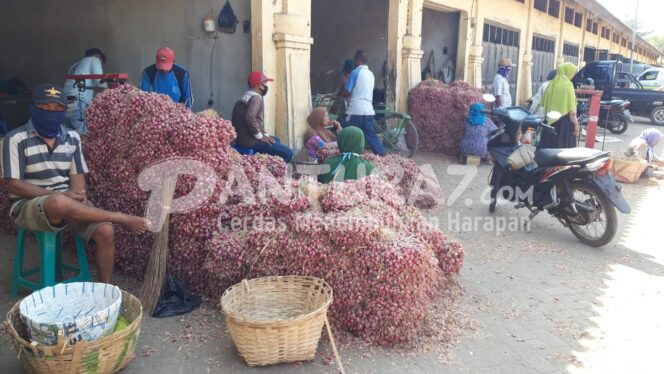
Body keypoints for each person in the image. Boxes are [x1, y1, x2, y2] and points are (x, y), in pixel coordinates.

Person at [1, 84, 148, 283]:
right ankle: (121, 217)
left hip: (66, 201)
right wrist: (61, 197)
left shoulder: (72, 137)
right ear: (33, 108)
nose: (51, 113)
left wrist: (78, 195)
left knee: (106, 231)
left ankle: (105, 290)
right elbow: (15, 185)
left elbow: (78, 181)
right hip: (28, 204)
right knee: (58, 203)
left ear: (64, 111)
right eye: (45, 108)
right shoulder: (15, 139)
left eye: (57, 109)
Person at [231, 71, 293, 162]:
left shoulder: (245, 96)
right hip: (249, 141)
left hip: (240, 138)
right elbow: (250, 117)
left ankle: (265, 162)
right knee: (288, 153)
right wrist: (260, 136)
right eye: (265, 83)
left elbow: (255, 120)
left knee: (276, 140)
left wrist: (265, 134)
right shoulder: (256, 98)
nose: (266, 85)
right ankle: (277, 173)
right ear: (260, 85)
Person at [341, 50, 385, 156]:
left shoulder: (355, 72)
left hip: (356, 110)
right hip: (368, 110)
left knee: (346, 130)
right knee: (370, 135)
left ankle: (346, 154)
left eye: (355, 59)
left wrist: (342, 92)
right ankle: (382, 155)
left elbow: (347, 92)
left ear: (358, 59)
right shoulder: (371, 74)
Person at [62, 48, 107, 134]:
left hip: (65, 100)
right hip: (79, 99)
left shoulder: (75, 65)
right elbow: (99, 81)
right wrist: (109, 92)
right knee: (83, 133)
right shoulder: (94, 59)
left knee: (68, 132)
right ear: (98, 56)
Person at [538, 62, 579, 149]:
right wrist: (575, 124)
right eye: (572, 73)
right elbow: (572, 110)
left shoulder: (551, 84)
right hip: (564, 124)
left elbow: (543, 103)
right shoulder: (568, 85)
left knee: (548, 149)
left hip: (549, 122)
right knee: (562, 150)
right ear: (568, 72)